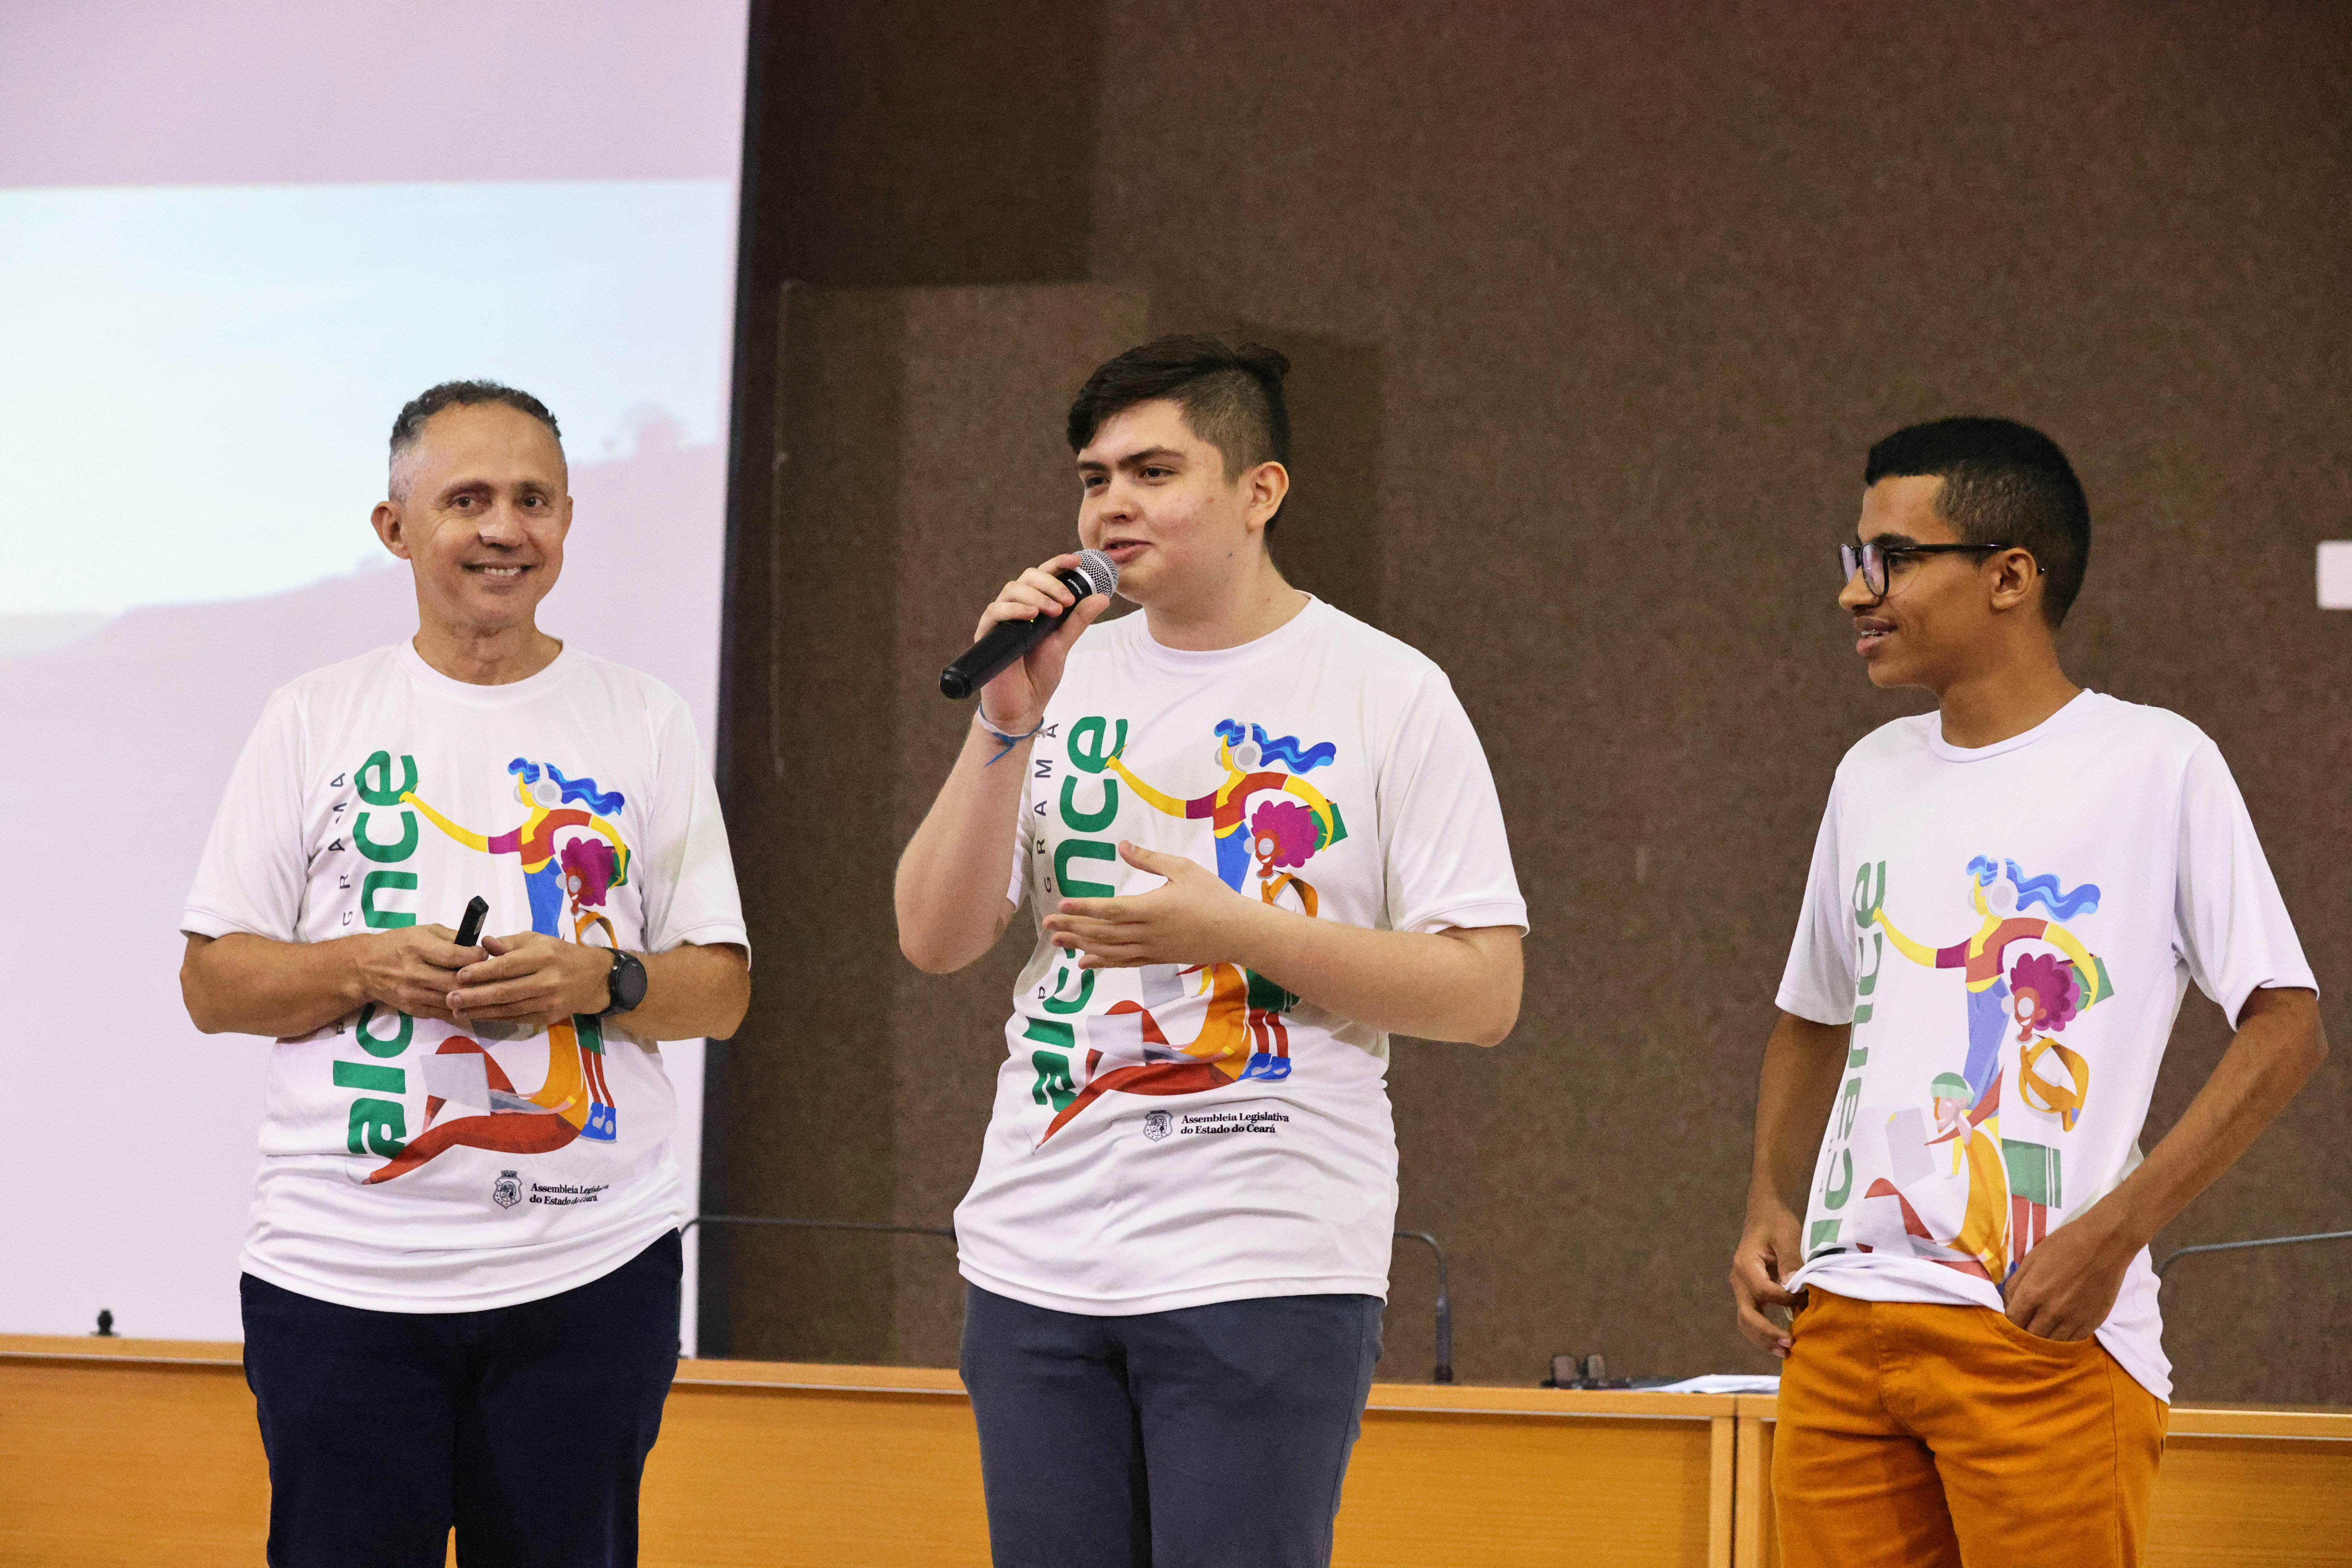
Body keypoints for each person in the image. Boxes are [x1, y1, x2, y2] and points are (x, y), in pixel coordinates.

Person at [895, 336, 1526, 1568]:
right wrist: (1004, 723)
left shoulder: (1386, 690)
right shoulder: (1058, 675)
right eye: (1094, 479)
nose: (1111, 507)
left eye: (1153, 472)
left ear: (1259, 491)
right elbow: (935, 936)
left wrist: (1231, 928)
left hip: (1264, 1249)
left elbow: (1484, 990)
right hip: (1038, 1249)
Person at [1729, 417, 2328, 1567]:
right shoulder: (1869, 774)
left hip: (2038, 1328)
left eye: (1895, 560)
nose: (1856, 592)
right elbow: (1813, 1011)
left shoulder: (2157, 763)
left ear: (2011, 576)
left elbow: (2287, 1028)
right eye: (1856, 558)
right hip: (1841, 1324)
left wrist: (2114, 1235)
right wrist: (1768, 1195)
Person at [179, 380, 751, 1568]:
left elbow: (721, 988)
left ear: (569, 521)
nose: (505, 529)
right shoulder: (313, 716)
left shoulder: (642, 718)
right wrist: (364, 964)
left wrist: (603, 980)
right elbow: (214, 984)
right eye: (468, 500)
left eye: (534, 500)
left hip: (589, 1269)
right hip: (341, 1275)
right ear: (396, 529)